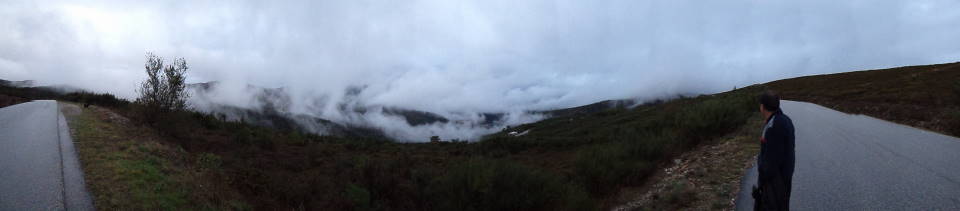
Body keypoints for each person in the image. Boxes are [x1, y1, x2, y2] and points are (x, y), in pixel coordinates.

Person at [752, 90, 795, 211]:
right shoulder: (785, 120)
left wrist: (761, 165)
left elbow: (770, 163)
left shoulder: (774, 126)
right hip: (784, 178)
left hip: (775, 183)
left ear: (762, 106)